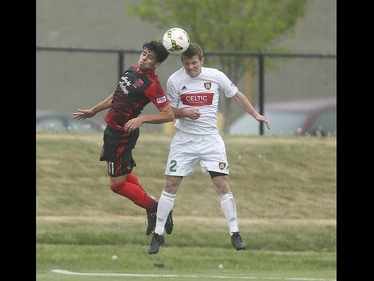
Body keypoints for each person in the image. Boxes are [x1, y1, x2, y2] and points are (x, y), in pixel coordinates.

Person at [148, 42, 271, 254]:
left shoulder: (215, 76)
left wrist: (255, 114)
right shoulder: (175, 80)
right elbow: (168, 111)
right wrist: (185, 113)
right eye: (187, 64)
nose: (191, 68)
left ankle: (235, 233)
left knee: (222, 184)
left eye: (194, 63)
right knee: (170, 184)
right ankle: (157, 234)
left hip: (210, 140)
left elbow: (237, 94)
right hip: (185, 140)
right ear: (182, 63)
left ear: (201, 61)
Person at [72, 41, 175, 236]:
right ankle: (154, 208)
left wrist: (142, 119)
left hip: (122, 135)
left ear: (157, 64)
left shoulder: (153, 85)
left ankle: (157, 209)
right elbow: (116, 95)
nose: (144, 58)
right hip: (112, 130)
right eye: (144, 53)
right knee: (123, 175)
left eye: (150, 57)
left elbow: (168, 114)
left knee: (117, 184)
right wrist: (93, 110)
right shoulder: (132, 70)